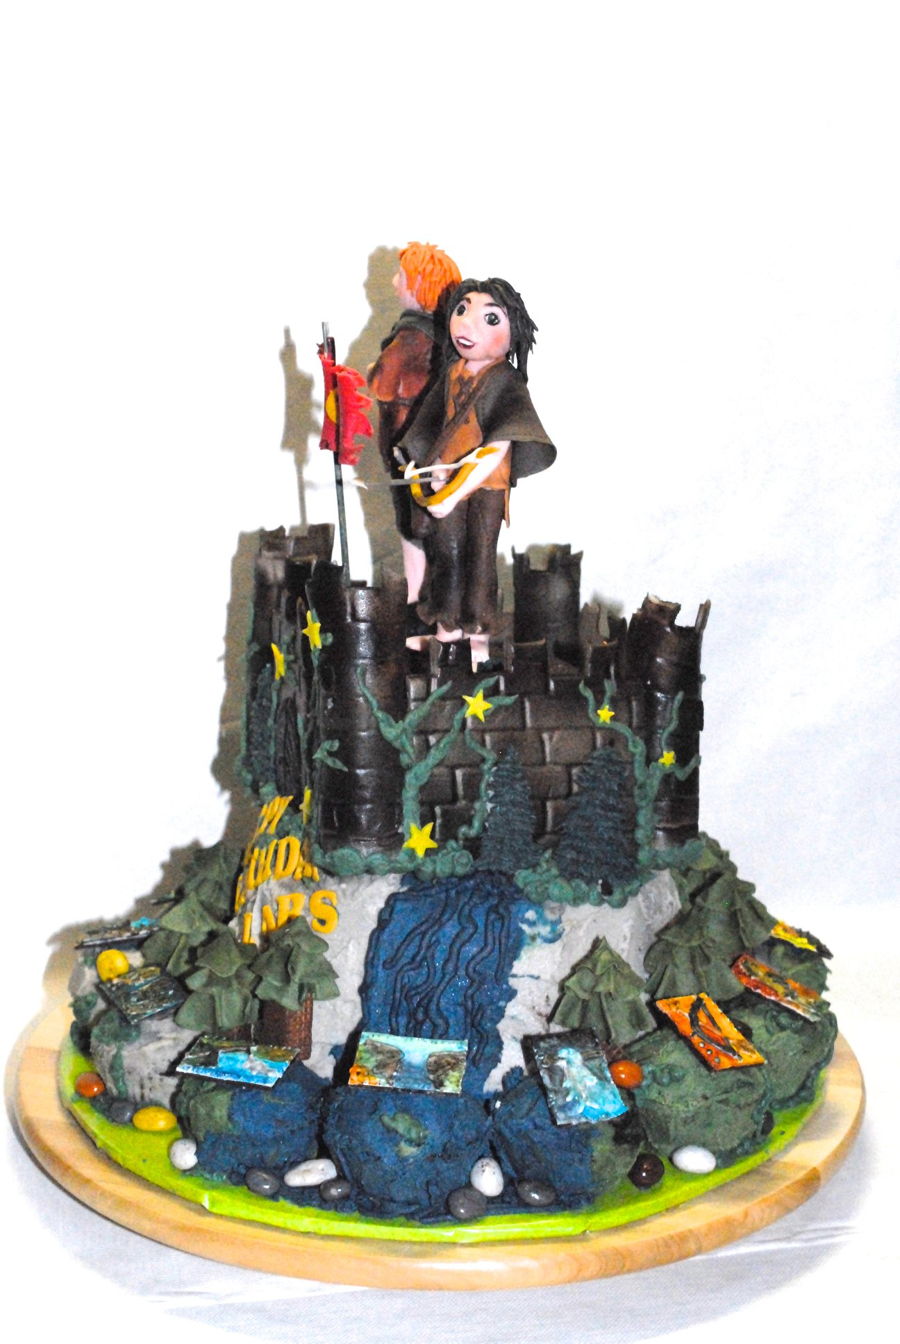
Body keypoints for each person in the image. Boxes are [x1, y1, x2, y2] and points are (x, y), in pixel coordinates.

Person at [401, 277, 555, 667]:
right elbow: (433, 427)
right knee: (447, 554)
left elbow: (495, 449)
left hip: (485, 486)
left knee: (480, 556)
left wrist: (453, 492)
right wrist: (430, 470)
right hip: (447, 483)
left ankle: (478, 636)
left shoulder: (505, 380)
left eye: (490, 318)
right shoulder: (453, 373)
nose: (467, 324)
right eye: (462, 310)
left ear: (514, 332)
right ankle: (447, 631)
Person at [367, 243, 462, 631]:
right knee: (436, 536)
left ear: (420, 287)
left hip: (410, 455)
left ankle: (419, 615)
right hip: (435, 455)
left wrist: (373, 369)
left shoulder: (409, 337)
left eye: (402, 277)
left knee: (414, 533)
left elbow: (383, 384)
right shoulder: (449, 339)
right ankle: (436, 619)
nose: (395, 282)